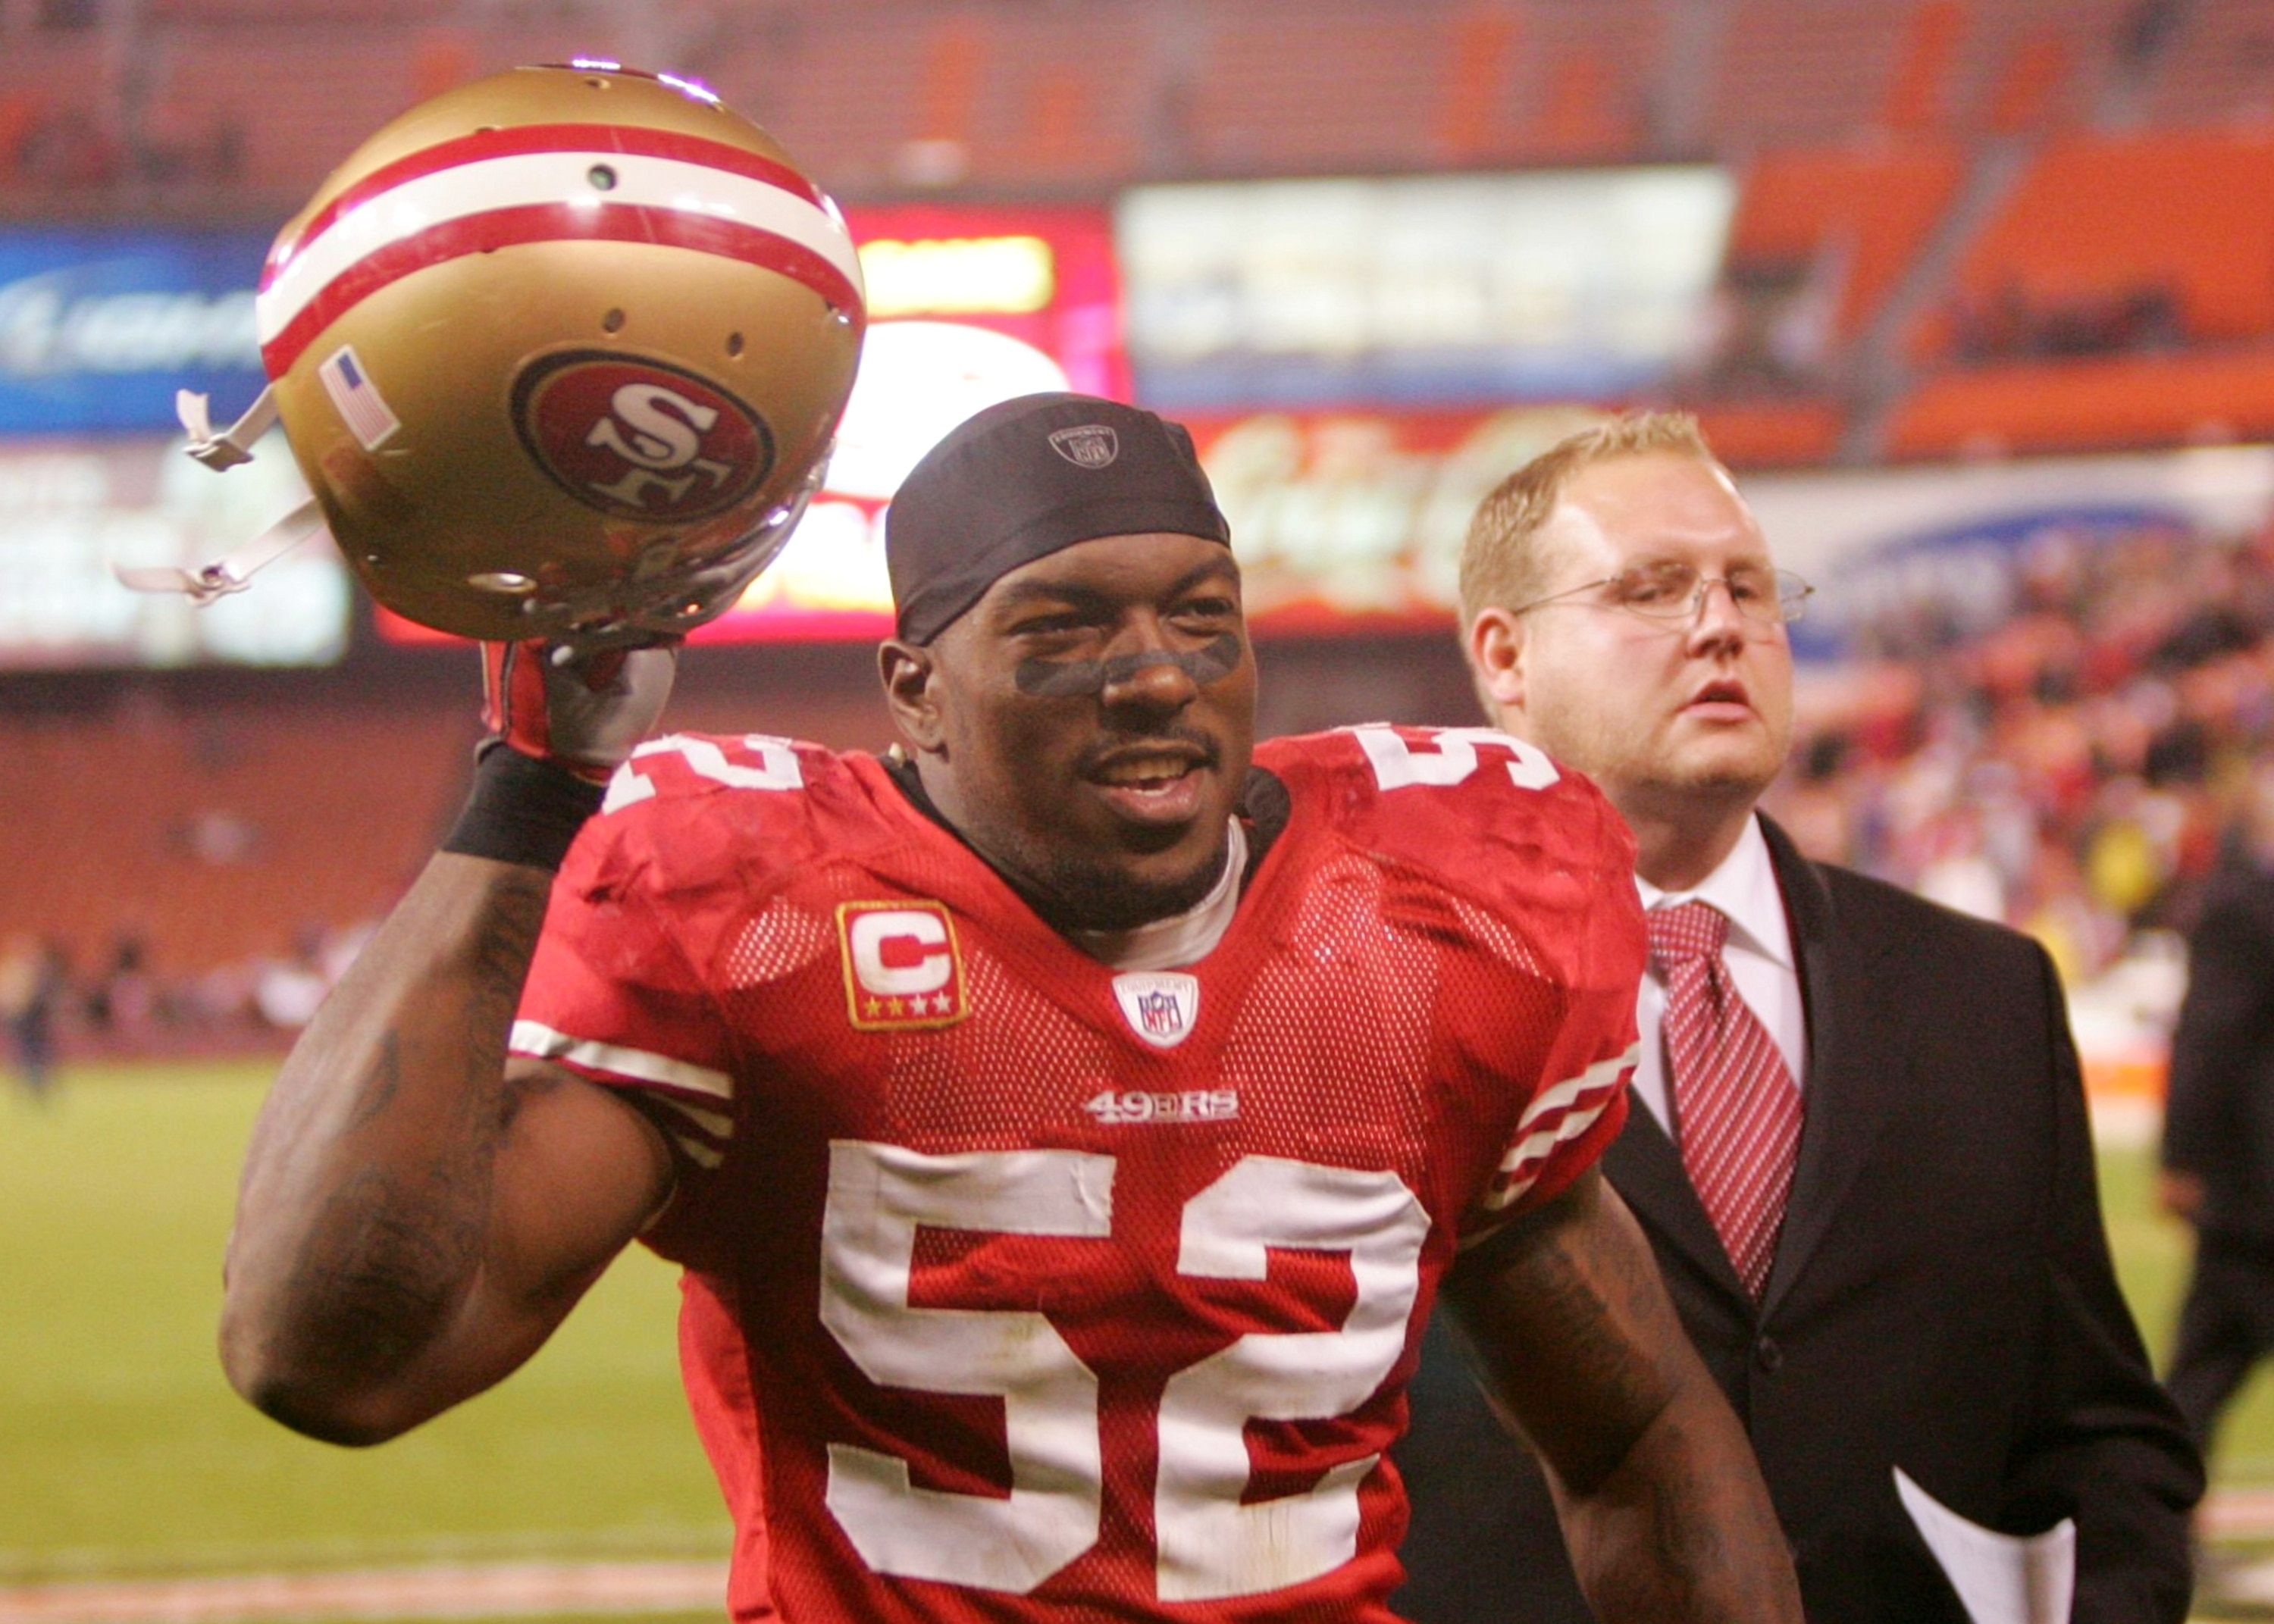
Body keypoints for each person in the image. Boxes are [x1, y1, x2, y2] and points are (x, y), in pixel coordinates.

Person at [218, 394, 1804, 1624]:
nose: (1156, 675)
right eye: (1063, 630)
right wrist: (530, 795)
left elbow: (1640, 1444)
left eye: (1202, 617)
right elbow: (335, 1358)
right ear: (915, 696)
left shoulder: (1441, 913)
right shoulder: (766, 918)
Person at [1396, 411, 2201, 1624]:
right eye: (1652, 589)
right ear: (1504, 657)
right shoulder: (1377, 1002)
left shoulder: (1984, 995)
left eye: (1748, 585)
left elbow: (2099, 1431)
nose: (1719, 623)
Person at [2162, 771, 2274, 1540]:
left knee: (2202, 1368)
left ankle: (2154, 1528)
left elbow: (2208, 1038)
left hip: (2252, 1194)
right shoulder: (2243, 904)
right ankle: (2157, 1526)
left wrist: (2183, 1156)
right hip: (2254, 1193)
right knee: (2205, 1367)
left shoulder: (2239, 906)